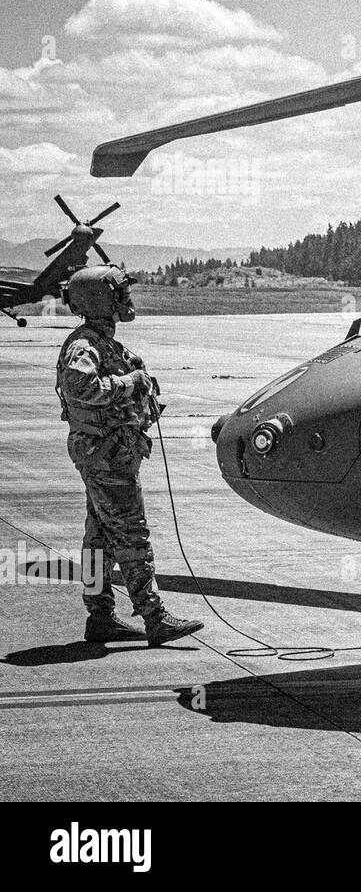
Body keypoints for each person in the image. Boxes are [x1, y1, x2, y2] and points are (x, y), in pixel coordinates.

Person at [56, 264, 204, 646]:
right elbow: (80, 387)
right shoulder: (85, 346)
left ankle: (100, 616)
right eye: (120, 294)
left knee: (99, 537)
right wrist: (129, 383)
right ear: (102, 300)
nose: (128, 299)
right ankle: (154, 616)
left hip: (109, 451)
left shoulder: (103, 342)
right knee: (131, 533)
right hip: (106, 454)